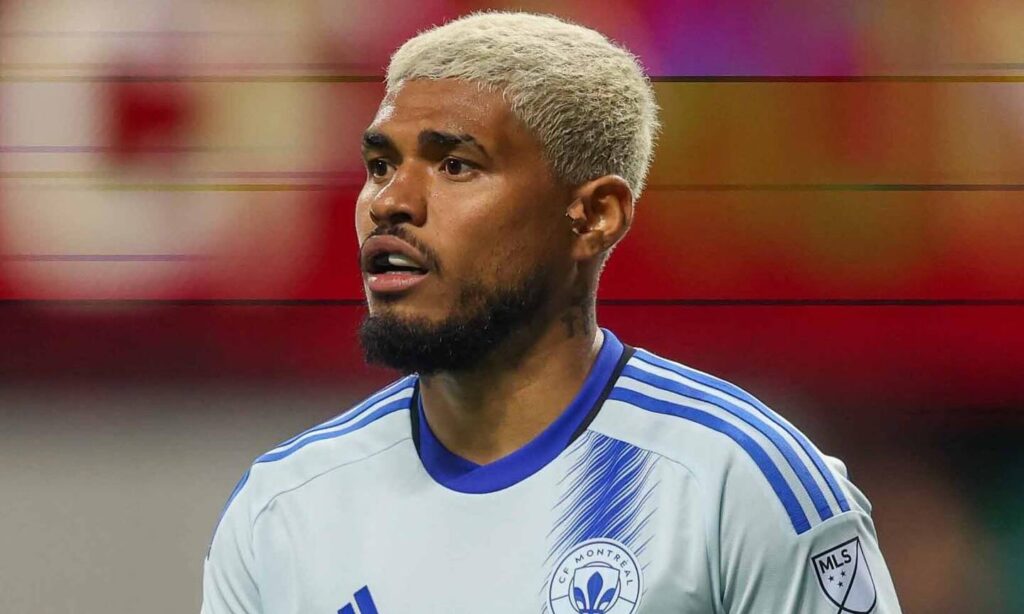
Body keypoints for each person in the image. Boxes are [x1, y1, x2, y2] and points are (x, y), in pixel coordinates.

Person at [202, 12, 901, 614]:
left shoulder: (736, 483)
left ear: (594, 216)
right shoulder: (284, 508)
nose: (390, 203)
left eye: (455, 165)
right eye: (381, 165)